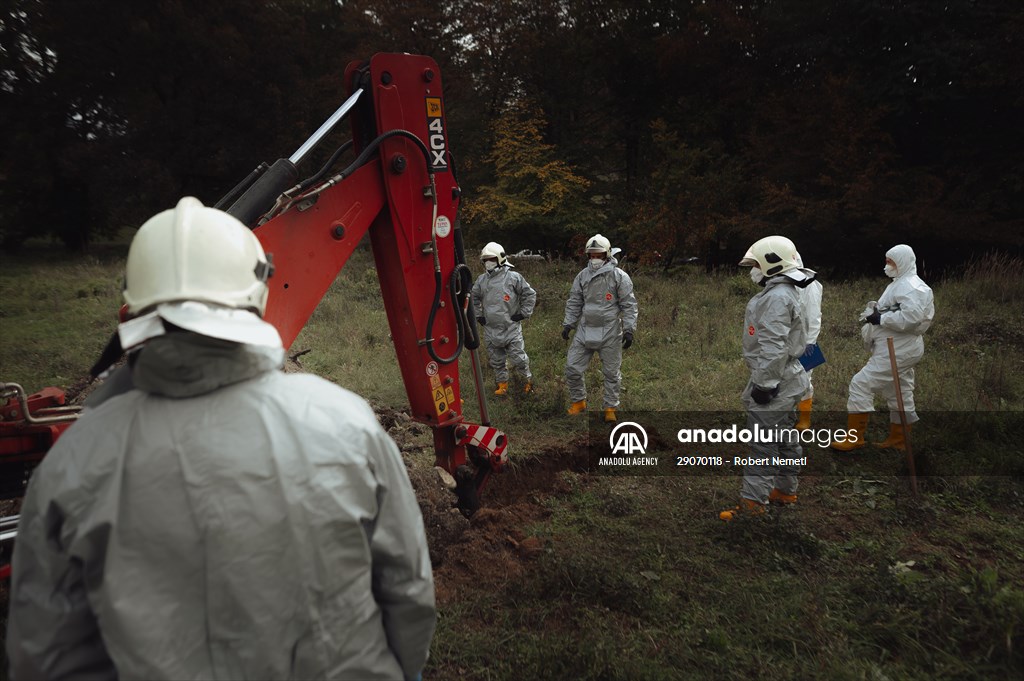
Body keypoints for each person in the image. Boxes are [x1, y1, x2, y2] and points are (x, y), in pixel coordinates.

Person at [6, 197, 436, 681]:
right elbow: (408, 589)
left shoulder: (74, 459)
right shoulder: (348, 423)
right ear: (258, 290)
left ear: (135, 305)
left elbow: (45, 652)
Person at [720, 235, 815, 521]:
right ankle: (786, 491)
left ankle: (752, 504)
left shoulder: (776, 298)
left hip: (777, 379)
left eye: (756, 265)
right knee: (784, 436)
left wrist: (765, 384)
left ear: (772, 265)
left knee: (762, 443)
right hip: (791, 377)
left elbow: (773, 346)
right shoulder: (785, 292)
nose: (753, 271)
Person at [831, 244, 934, 452]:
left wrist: (881, 318)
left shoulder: (910, 286)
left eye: (891, 261)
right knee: (899, 390)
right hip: (900, 346)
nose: (887, 265)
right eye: (887, 261)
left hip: (897, 348)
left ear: (903, 262)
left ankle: (854, 437)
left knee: (861, 383)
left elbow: (912, 318)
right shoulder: (903, 283)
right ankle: (899, 440)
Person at [561, 233, 638, 422]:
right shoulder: (582, 276)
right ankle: (579, 402)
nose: (595, 259)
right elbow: (574, 301)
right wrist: (568, 324)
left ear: (607, 255)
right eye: (592, 255)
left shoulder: (619, 277)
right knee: (572, 367)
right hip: (585, 328)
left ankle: (610, 407)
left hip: (610, 330)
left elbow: (629, 304)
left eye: (599, 255)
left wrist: (629, 330)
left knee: (611, 373)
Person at [472, 241, 537, 395]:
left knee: (519, 359)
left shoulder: (513, 277)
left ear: (500, 259)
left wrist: (523, 313)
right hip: (491, 328)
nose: (488, 263)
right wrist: (478, 315)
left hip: (510, 327)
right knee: (496, 360)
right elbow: (473, 297)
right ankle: (502, 385)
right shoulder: (481, 280)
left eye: (492, 259)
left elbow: (529, 294)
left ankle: (526, 383)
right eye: (486, 260)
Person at [794, 252, 823, 430]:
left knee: (803, 377)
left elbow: (813, 315)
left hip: (804, 340)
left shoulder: (809, 283)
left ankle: (805, 418)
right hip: (787, 340)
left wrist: (810, 342)